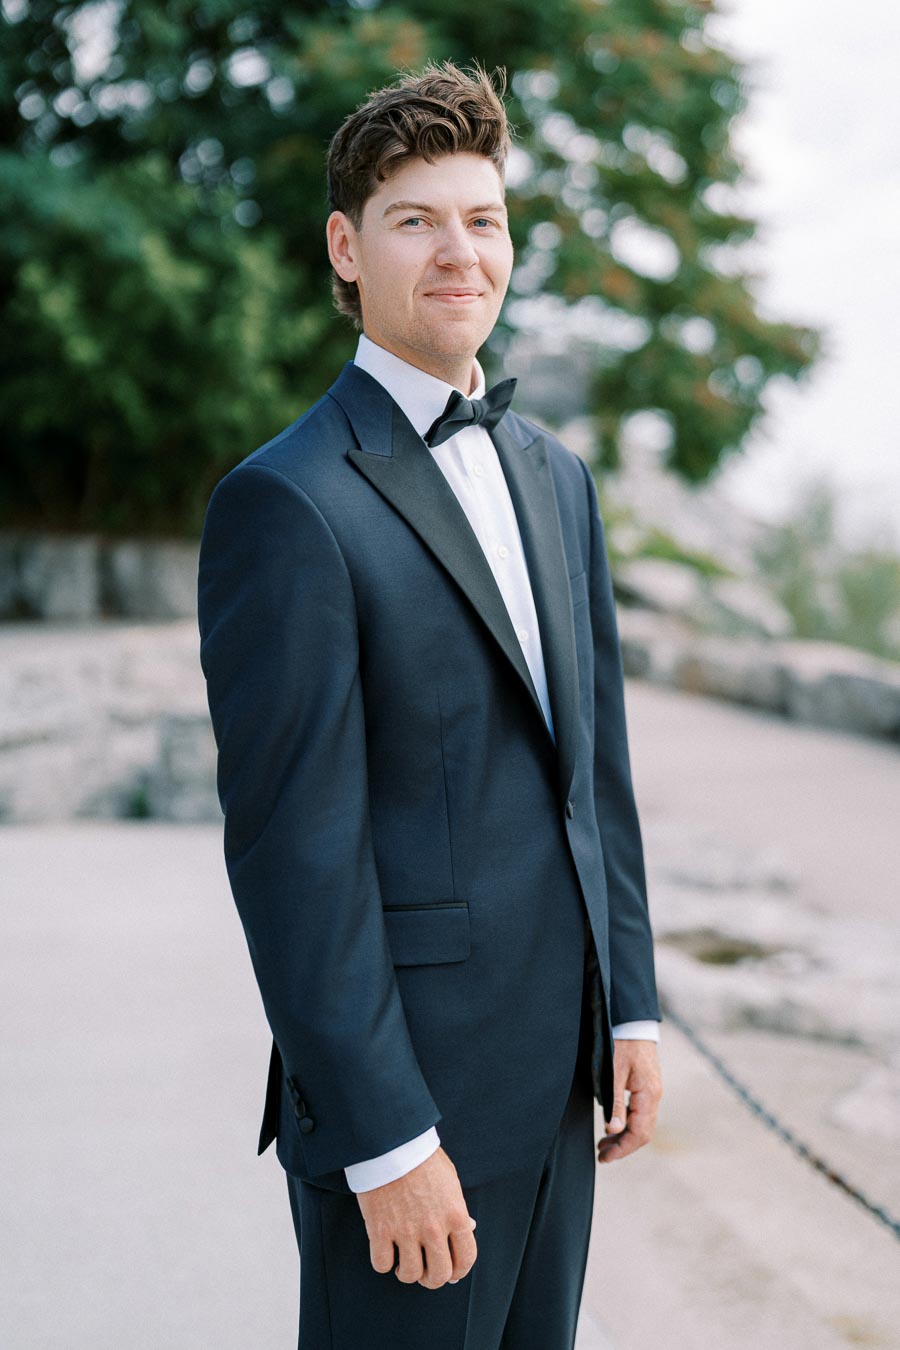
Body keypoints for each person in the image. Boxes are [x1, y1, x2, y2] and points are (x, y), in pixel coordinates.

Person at [197, 58, 662, 1350]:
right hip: (413, 1116)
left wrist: (630, 1006)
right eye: (416, 221)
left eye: (484, 219)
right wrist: (387, 1137)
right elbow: (296, 856)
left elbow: (597, 772)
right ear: (347, 249)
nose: (461, 252)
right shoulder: (285, 503)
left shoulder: (558, 477)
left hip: (559, 1084)